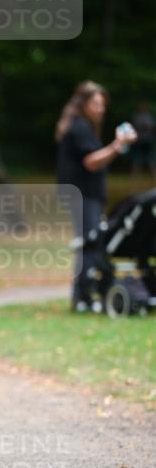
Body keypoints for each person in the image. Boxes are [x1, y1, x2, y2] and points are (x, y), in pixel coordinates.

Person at [55, 80, 137, 312]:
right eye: (96, 104)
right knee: (89, 242)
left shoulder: (84, 127)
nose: (101, 109)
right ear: (83, 104)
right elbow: (91, 162)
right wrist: (117, 145)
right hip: (82, 194)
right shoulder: (79, 127)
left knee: (90, 242)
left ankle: (84, 295)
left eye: (103, 104)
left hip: (87, 194)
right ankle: (83, 296)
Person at [130, 102, 156, 182]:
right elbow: (136, 128)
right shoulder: (138, 117)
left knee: (151, 159)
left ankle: (154, 176)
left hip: (147, 141)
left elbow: (152, 127)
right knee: (137, 159)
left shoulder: (148, 117)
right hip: (140, 141)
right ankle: (134, 177)